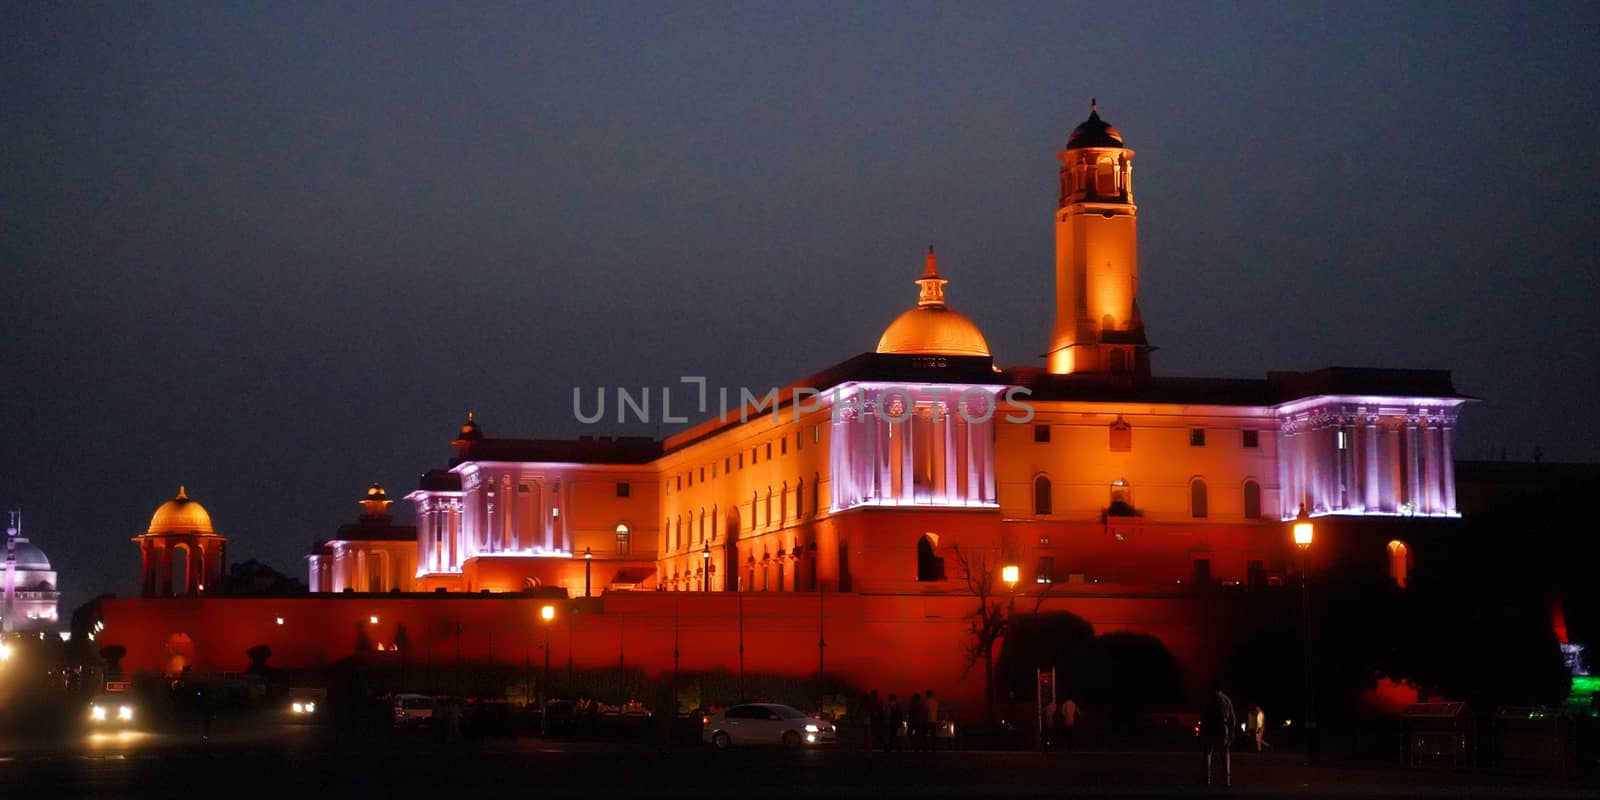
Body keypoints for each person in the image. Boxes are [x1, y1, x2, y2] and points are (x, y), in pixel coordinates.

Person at [1201, 688, 1238, 787]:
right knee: (1225, 754)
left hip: (1210, 729)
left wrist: (1202, 732)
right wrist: (1231, 733)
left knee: (1208, 753)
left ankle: (1207, 779)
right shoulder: (1226, 700)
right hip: (1223, 729)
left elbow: (1204, 717)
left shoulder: (1209, 700)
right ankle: (1227, 780)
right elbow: (1233, 719)